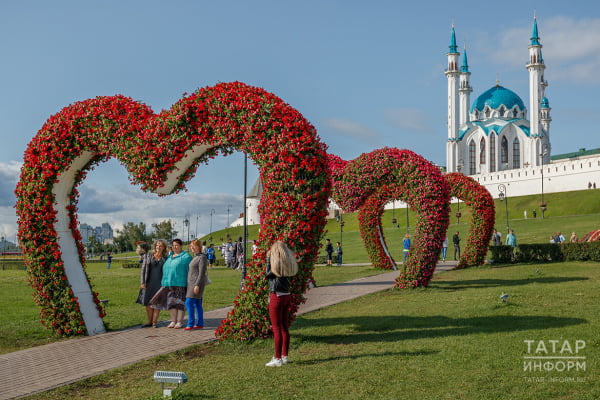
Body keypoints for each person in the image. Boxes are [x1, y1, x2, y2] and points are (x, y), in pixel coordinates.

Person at [265, 241, 298, 367]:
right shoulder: (287, 263)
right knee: (284, 326)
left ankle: (277, 358)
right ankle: (284, 356)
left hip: (276, 295)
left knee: (277, 327)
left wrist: (268, 259)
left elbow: (267, 274)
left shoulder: (275, 264)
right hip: (286, 295)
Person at [149, 238, 192, 329]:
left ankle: (179, 322)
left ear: (181, 246)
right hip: (168, 283)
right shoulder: (169, 257)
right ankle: (173, 321)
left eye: (176, 245)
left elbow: (190, 271)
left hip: (180, 284)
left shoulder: (186, 257)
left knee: (180, 303)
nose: (174, 247)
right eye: (173, 245)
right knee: (171, 304)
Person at [138, 240, 168, 328]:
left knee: (157, 303)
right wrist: (142, 282)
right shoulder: (148, 255)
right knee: (148, 303)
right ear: (154, 246)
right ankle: (149, 321)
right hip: (149, 283)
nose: (158, 247)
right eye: (157, 245)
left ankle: (154, 322)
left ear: (164, 248)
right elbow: (143, 270)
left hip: (160, 283)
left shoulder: (165, 258)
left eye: (161, 246)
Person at [184, 240, 208, 331]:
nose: (192, 248)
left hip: (196, 283)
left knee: (189, 302)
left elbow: (201, 273)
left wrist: (197, 285)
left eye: (194, 246)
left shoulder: (202, 257)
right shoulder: (195, 257)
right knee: (197, 303)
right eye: (191, 246)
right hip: (191, 283)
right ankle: (200, 323)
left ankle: (190, 323)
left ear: (199, 246)